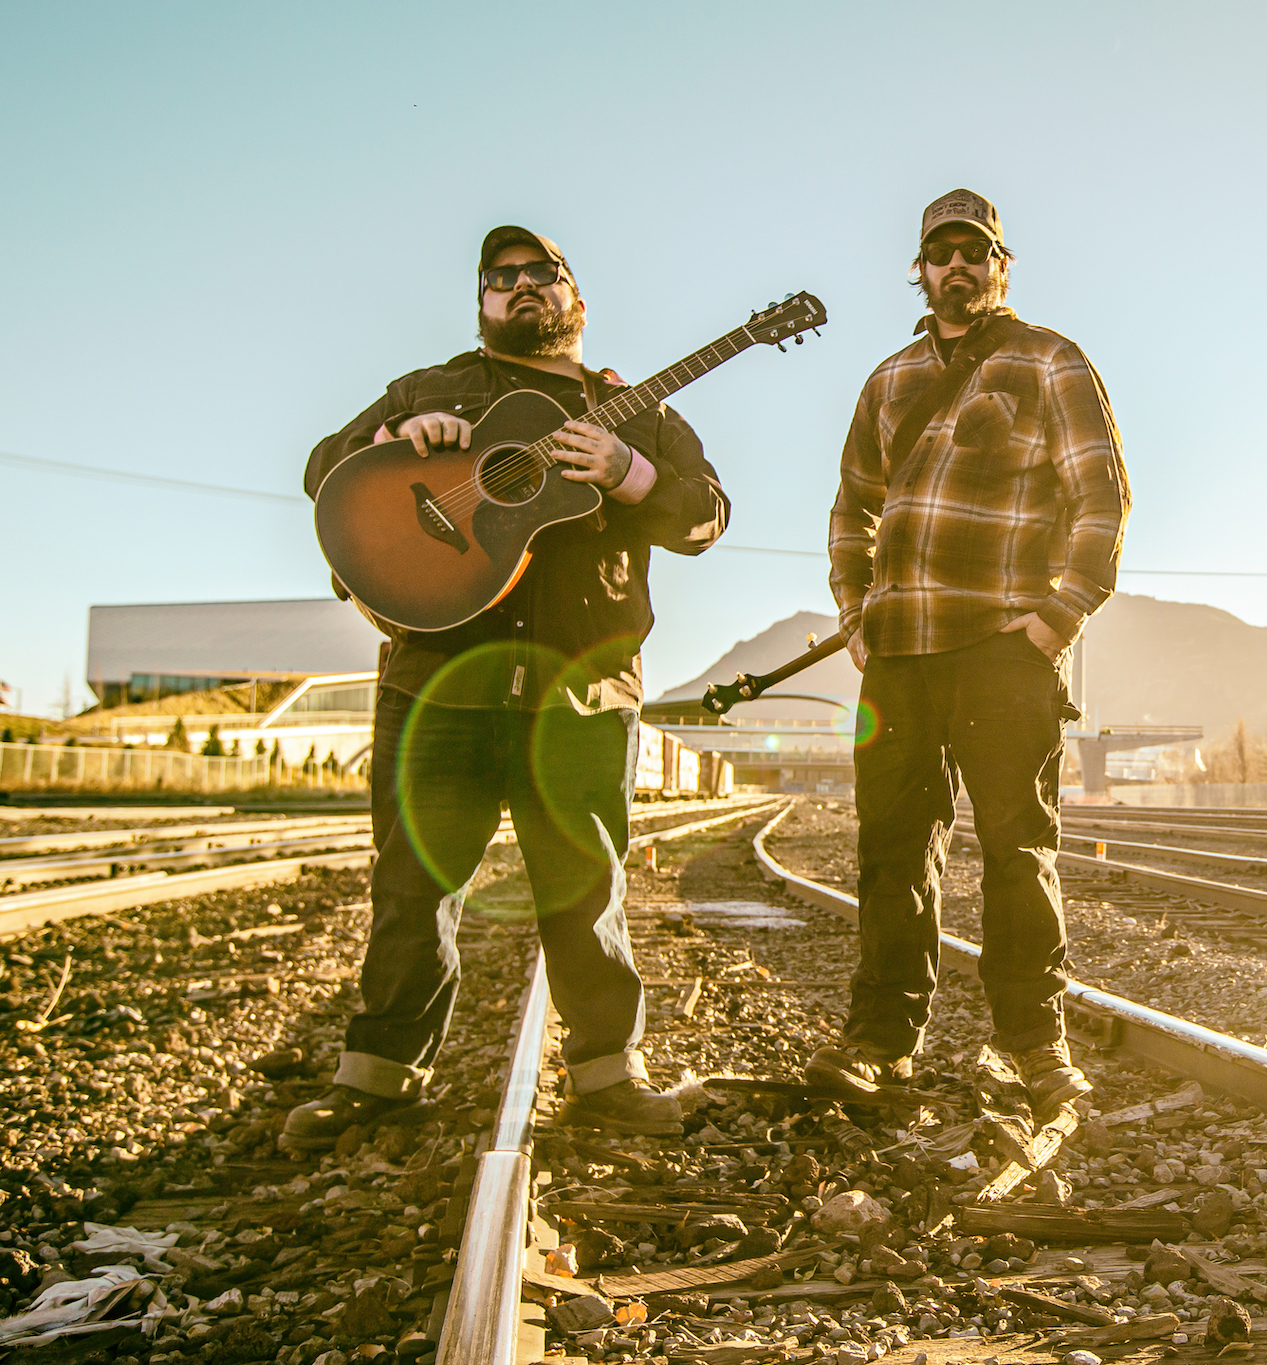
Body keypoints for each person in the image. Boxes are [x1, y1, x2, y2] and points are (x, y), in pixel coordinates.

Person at [284, 226, 728, 1149]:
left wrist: (628, 472)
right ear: (481, 302)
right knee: (412, 885)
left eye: (543, 275)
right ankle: (377, 1078)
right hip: (437, 678)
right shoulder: (427, 390)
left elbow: (706, 513)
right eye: (501, 279)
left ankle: (609, 1074)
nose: (522, 288)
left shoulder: (632, 411)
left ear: (575, 299)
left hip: (583, 684)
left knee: (586, 887)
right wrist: (393, 439)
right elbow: (323, 467)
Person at [812, 189, 1131, 1113]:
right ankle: (879, 1042)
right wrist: (855, 611)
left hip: (1003, 646)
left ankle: (1032, 1043)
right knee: (891, 851)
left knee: (1017, 846)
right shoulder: (888, 380)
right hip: (901, 653)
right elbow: (851, 506)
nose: (959, 266)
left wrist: (1056, 619)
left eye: (976, 251)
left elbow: (1101, 500)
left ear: (1003, 265)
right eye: (941, 252)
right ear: (920, 267)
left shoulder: (1050, 361)